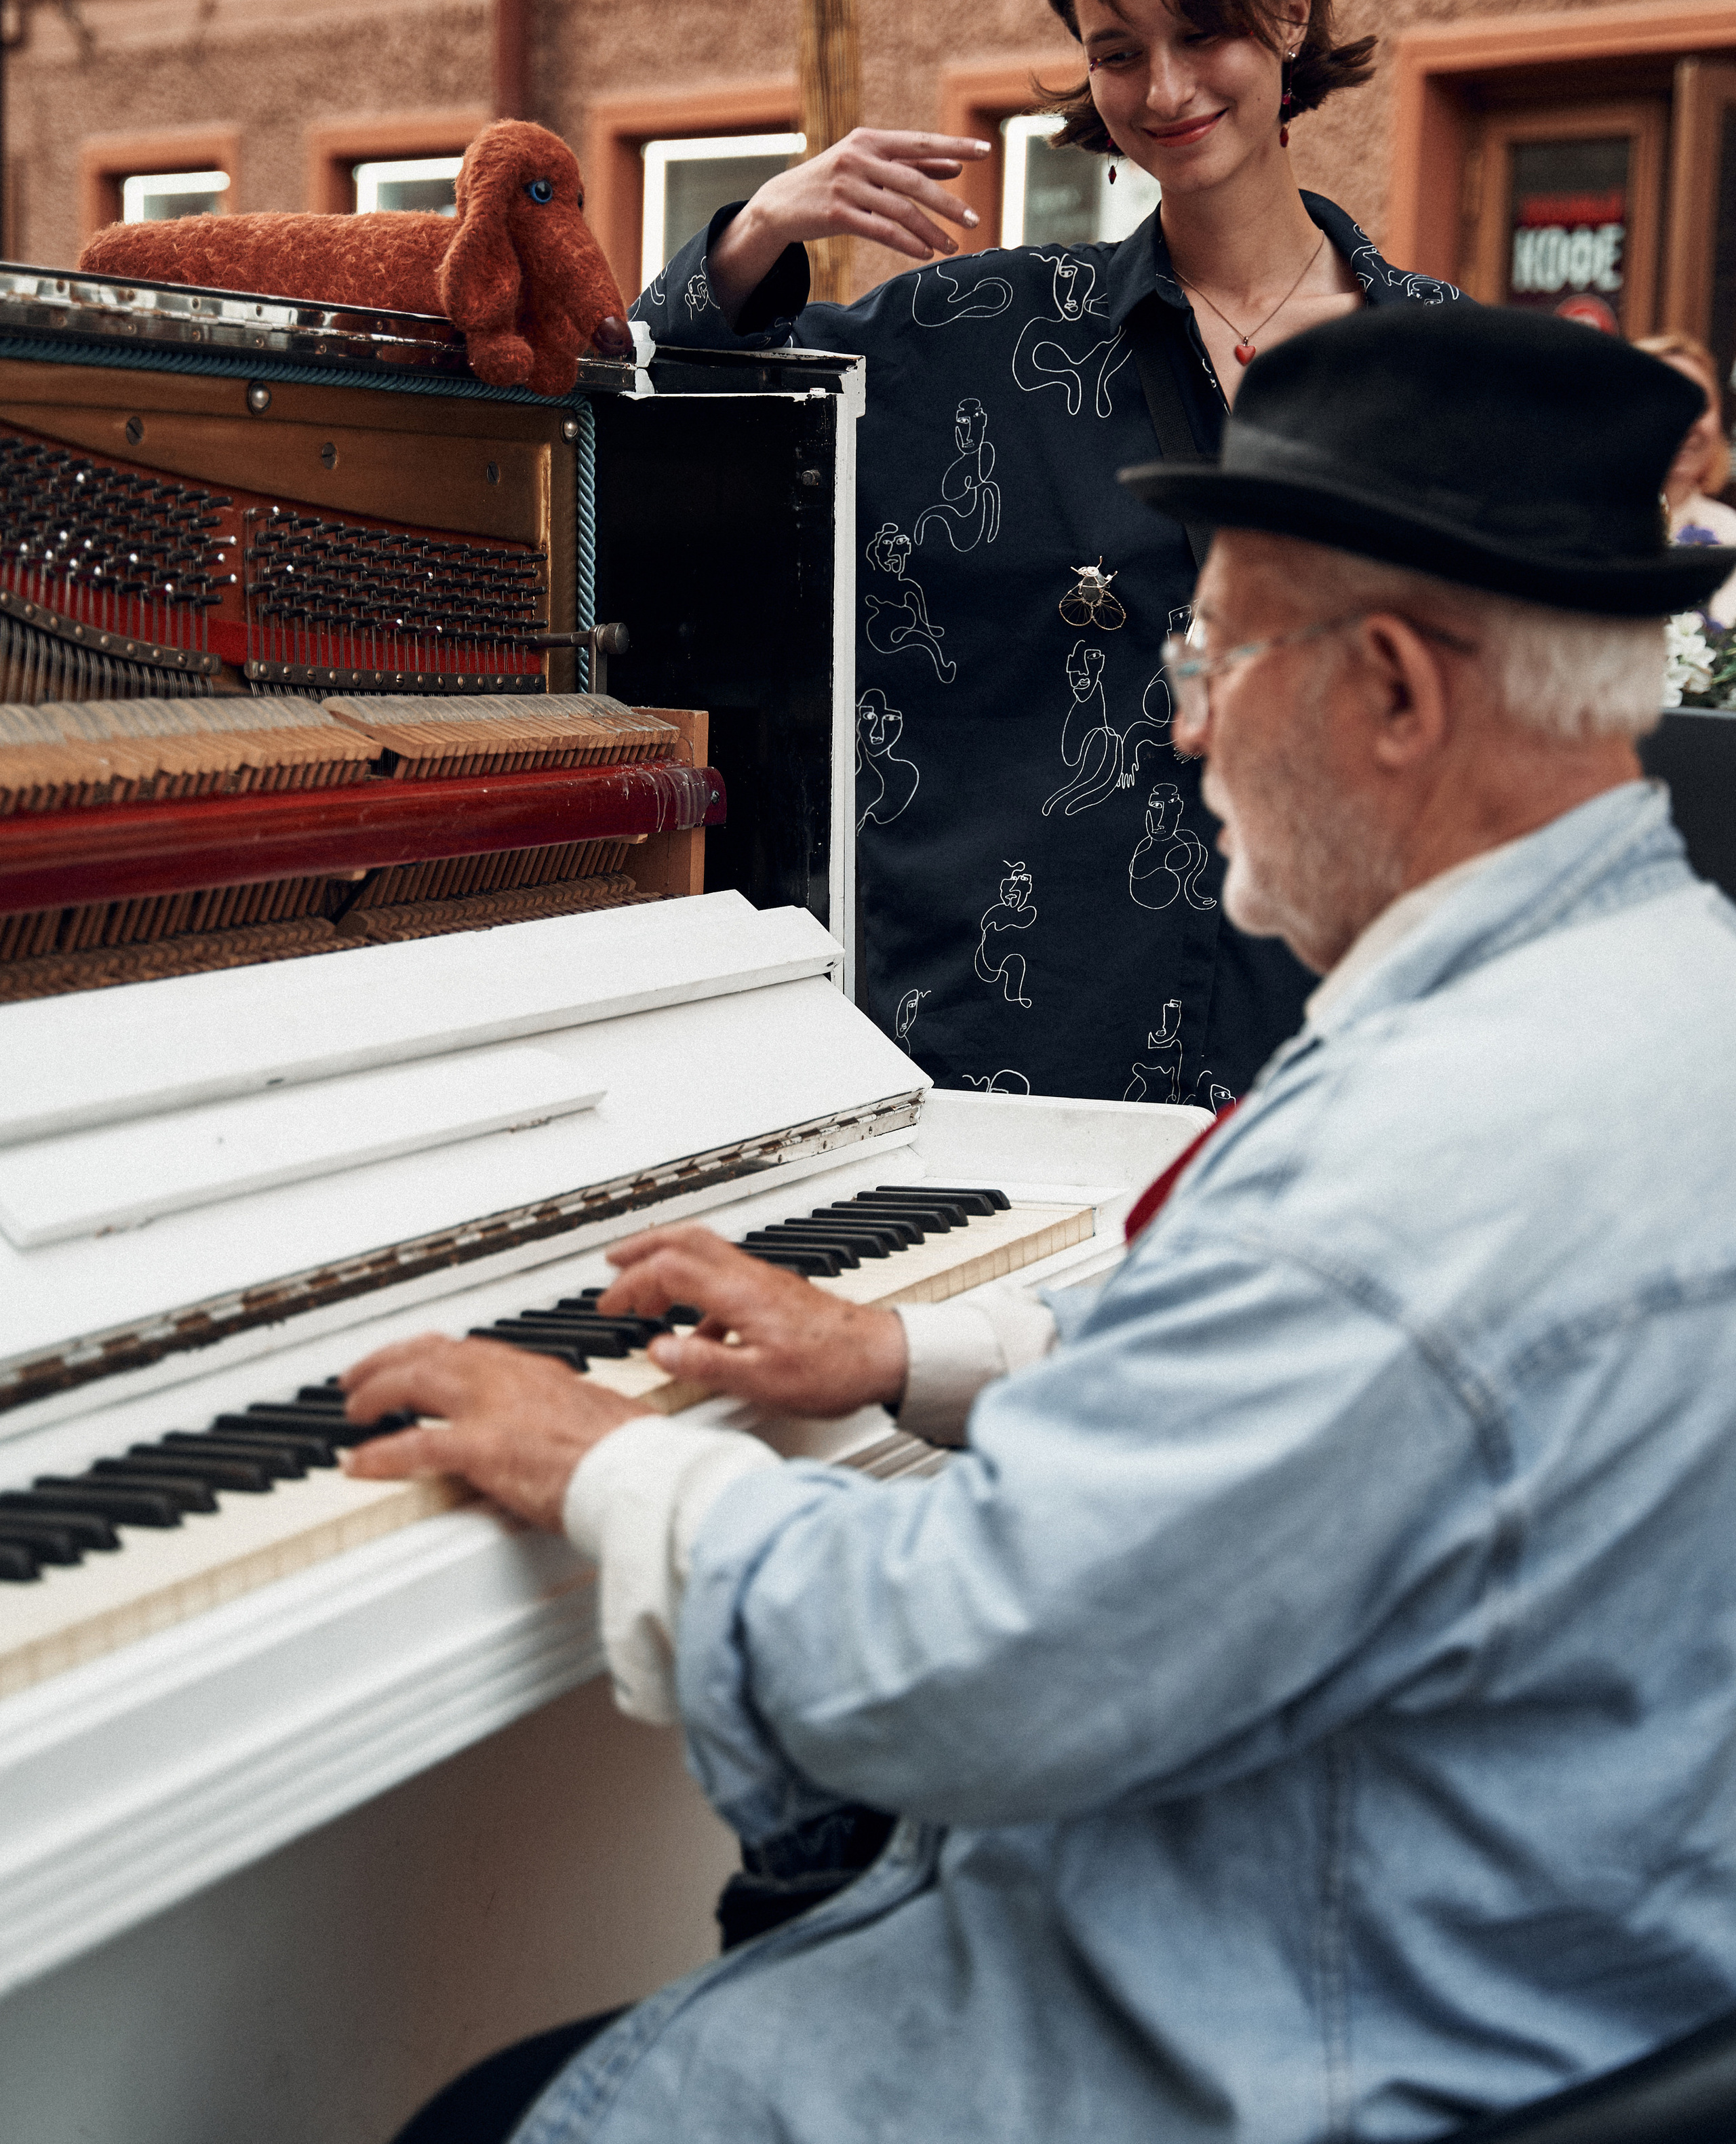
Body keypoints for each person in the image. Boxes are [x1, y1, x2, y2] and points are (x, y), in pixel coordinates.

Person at [349, 306, 1736, 2144]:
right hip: (1551, 1993)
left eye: (1214, 648)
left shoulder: (1421, 1154)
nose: (1179, 717)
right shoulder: (1674, 986)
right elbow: (1347, 1405)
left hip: (1280, 2049)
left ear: (1396, 693)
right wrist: (906, 1349)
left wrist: (608, 1460)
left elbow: (957, 1668)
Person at [631, 0, 1464, 1111]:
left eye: (1204, 33)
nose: (1166, 92)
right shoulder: (981, 333)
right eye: (1119, 53)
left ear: (1292, 16)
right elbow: (672, 401)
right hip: (1012, 1072)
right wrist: (761, 228)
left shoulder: (1444, 365)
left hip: (1334, 1061)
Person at [1637, 327, 1736, 628]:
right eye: (1664, 401)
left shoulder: (1732, 534)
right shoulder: (1578, 536)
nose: (1685, 423)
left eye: (1700, 405)